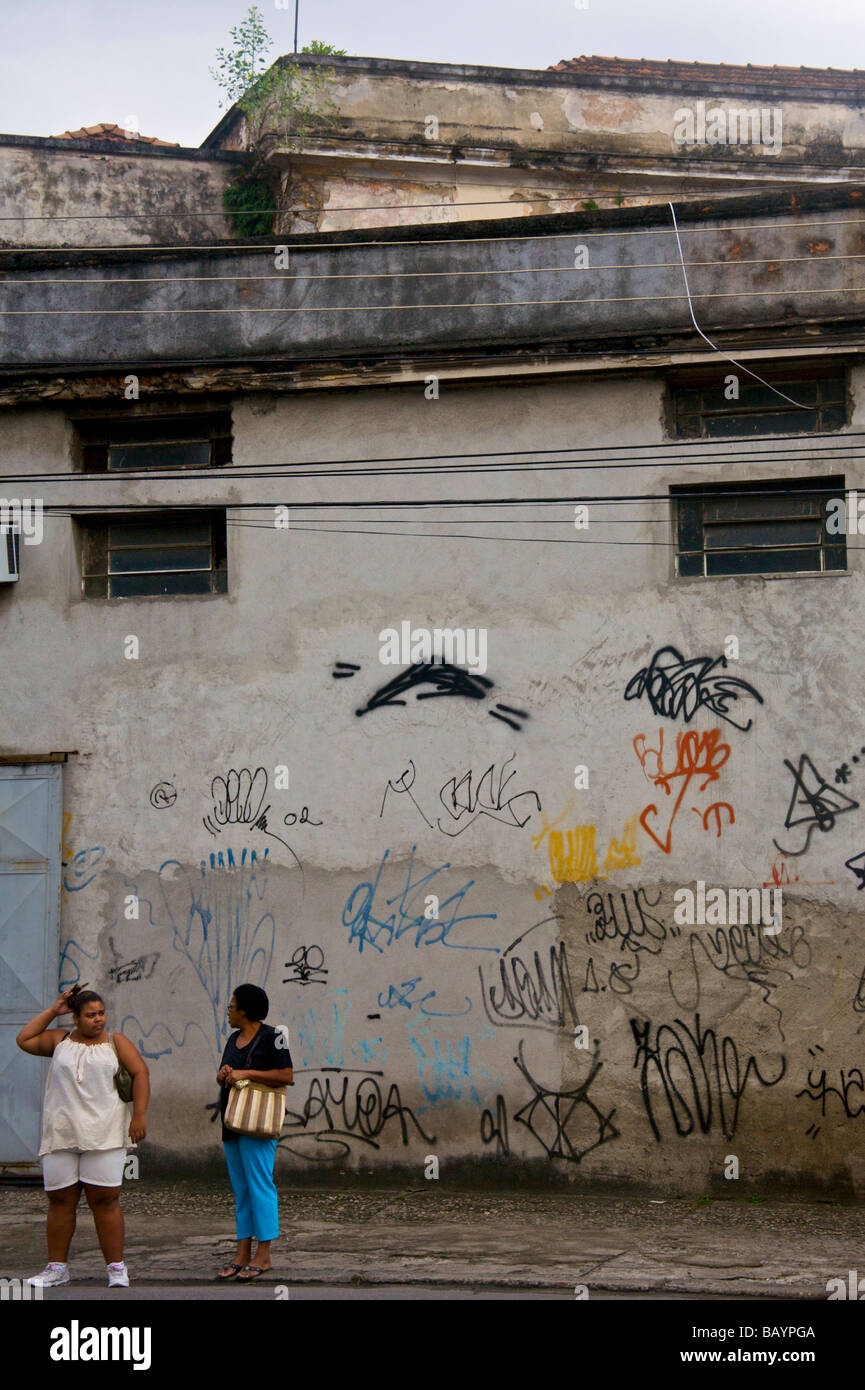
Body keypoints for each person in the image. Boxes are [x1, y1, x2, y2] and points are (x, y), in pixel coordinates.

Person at [16, 986, 149, 1288]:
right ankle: (57, 1268)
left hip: (106, 1133)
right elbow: (24, 1039)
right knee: (60, 1200)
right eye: (90, 1015)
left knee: (105, 1200)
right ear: (75, 1017)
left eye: (101, 1013)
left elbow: (141, 1073)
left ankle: (116, 1268)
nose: (98, 1019)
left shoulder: (116, 1043)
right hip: (61, 1133)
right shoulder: (60, 1041)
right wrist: (54, 1010)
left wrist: (139, 1115)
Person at [216, 984, 293, 1282]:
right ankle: (241, 1252)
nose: (229, 1009)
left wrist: (246, 1074)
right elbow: (225, 1073)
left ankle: (264, 1254)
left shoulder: (274, 1037)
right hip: (232, 1121)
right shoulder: (234, 1039)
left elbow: (286, 1075)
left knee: (260, 1186)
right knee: (242, 1190)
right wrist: (224, 1074)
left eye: (232, 1004)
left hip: (258, 1123)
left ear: (245, 1009)